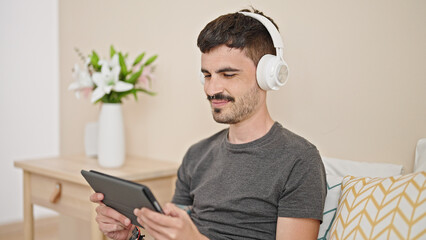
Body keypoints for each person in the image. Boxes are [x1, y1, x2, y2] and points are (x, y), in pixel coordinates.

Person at [90, 8, 326, 240]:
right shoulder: (196, 155)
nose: (211, 89)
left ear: (268, 75)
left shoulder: (299, 160)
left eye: (228, 74)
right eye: (207, 75)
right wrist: (132, 235)